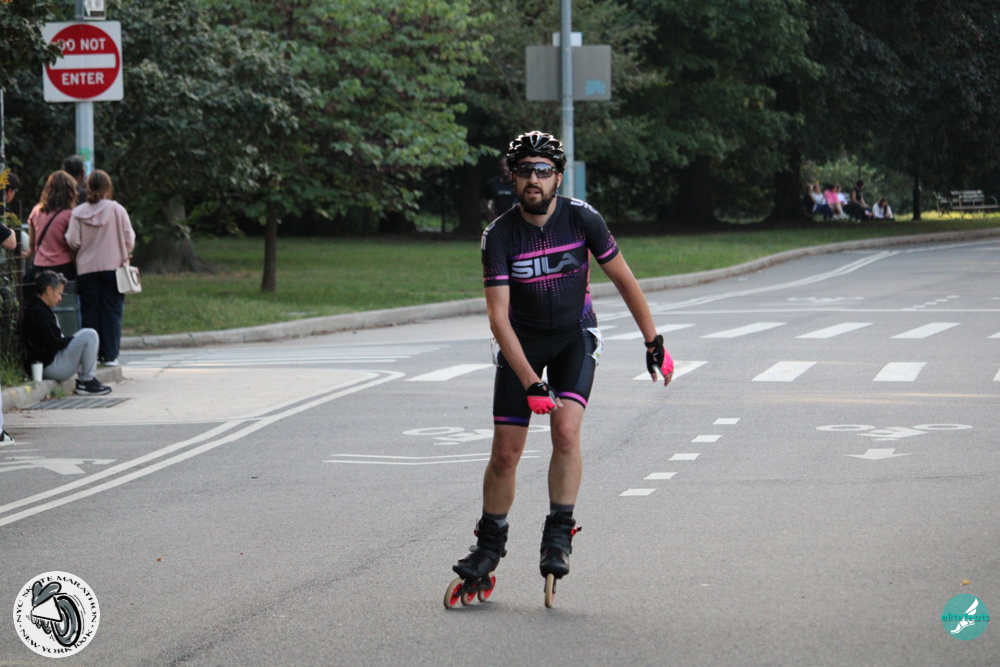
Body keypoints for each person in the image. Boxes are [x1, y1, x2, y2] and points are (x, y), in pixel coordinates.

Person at [449, 131, 674, 598]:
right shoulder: (499, 235)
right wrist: (531, 382)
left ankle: (558, 534)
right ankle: (488, 547)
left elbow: (624, 280)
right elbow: (498, 317)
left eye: (543, 171)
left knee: (566, 431)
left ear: (558, 177)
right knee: (506, 453)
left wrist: (653, 341)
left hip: (575, 336)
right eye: (524, 170)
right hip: (522, 344)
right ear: (512, 178)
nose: (533, 179)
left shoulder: (582, 218)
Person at [66, 170, 135, 367]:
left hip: (87, 269)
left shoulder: (78, 213)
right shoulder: (117, 210)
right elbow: (129, 239)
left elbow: (72, 240)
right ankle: (110, 355)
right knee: (112, 311)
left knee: (90, 312)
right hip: (113, 267)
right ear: (108, 188)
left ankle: (92, 355)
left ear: (88, 187)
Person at [21, 270, 111, 395]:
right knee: (89, 335)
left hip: (47, 362)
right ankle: (86, 381)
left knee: (85, 334)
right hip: (49, 365)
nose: (60, 298)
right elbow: (55, 343)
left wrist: (71, 340)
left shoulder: (39, 309)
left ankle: (87, 380)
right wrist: (72, 340)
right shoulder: (39, 312)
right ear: (48, 290)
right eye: (59, 293)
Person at [26, 171, 78, 281]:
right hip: (63, 266)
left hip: (39, 266)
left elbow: (32, 243)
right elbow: (72, 246)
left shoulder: (36, 211)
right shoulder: (70, 215)